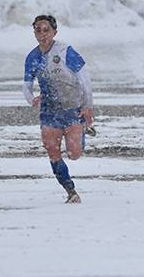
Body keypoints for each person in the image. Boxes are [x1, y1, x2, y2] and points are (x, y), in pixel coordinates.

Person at [23, 14, 94, 203]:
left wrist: (87, 106)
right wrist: (32, 99)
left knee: (74, 154)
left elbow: (84, 78)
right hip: (49, 109)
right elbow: (27, 85)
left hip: (72, 107)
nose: (42, 34)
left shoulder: (65, 51)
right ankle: (71, 191)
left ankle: (82, 131)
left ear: (54, 32)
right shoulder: (32, 57)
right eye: (38, 30)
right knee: (51, 149)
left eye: (46, 30)